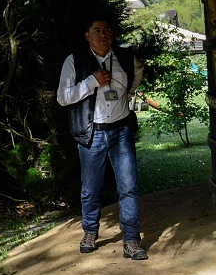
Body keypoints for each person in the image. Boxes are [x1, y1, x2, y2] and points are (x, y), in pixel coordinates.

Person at [57, 15, 149, 260]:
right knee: (91, 188)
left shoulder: (125, 57)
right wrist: (92, 81)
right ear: (87, 35)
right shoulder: (74, 60)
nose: (102, 34)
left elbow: (138, 72)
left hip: (121, 131)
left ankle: (131, 240)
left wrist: (128, 93)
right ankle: (89, 232)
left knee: (128, 187)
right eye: (96, 30)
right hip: (92, 132)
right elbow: (63, 97)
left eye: (107, 30)